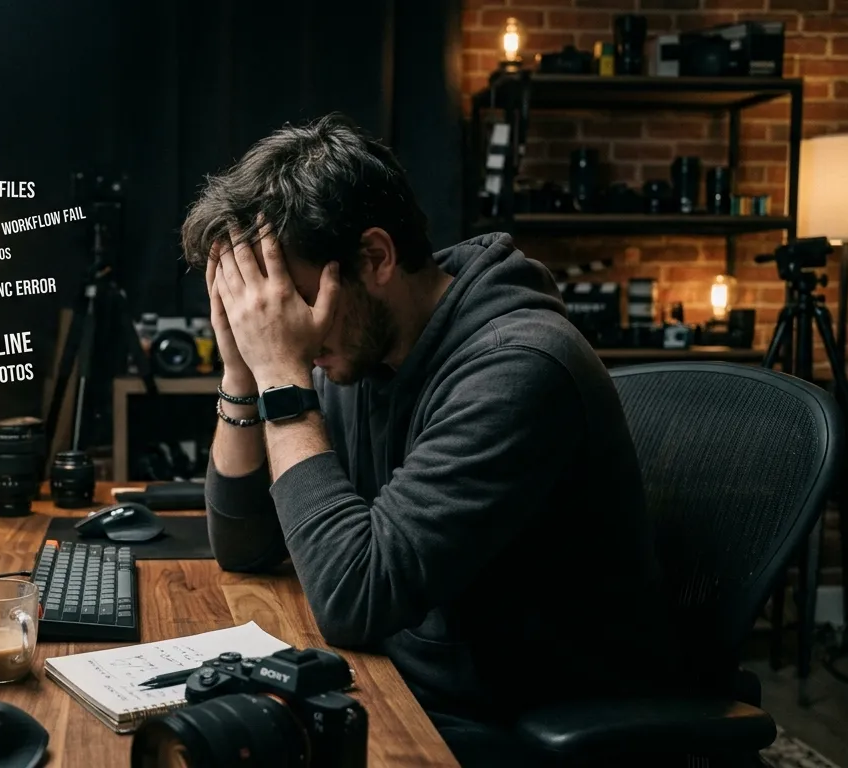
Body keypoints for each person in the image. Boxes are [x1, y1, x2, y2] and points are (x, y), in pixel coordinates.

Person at [182, 113, 682, 765]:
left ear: (376, 258)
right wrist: (242, 371)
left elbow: (355, 599)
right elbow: (246, 546)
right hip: (406, 686)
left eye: (294, 301)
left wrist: (281, 373)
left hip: (518, 726)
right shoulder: (360, 345)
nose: (287, 327)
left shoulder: (519, 368)